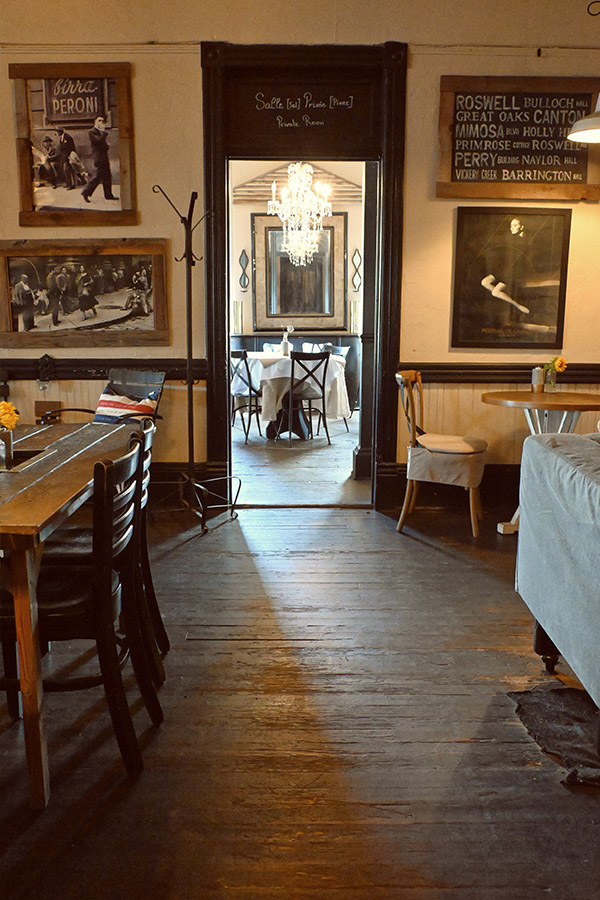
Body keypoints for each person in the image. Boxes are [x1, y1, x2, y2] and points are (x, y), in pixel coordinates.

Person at [81, 116, 117, 203]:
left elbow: (103, 145)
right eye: (99, 120)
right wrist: (104, 132)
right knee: (98, 176)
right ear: (95, 122)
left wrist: (106, 146)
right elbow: (98, 140)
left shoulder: (100, 132)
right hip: (99, 158)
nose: (101, 122)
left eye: (102, 121)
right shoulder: (92, 132)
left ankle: (108, 195)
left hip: (104, 156)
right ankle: (86, 192)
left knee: (107, 176)